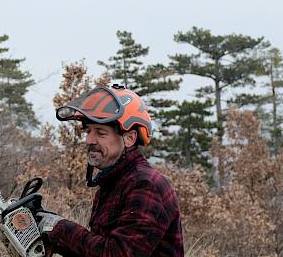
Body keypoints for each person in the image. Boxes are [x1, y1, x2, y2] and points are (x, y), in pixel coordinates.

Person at [35, 84, 184, 257]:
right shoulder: (114, 183)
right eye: (88, 131)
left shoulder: (146, 185)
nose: (89, 140)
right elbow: (94, 251)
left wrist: (59, 228)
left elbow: (118, 253)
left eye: (100, 132)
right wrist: (48, 234)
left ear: (129, 138)